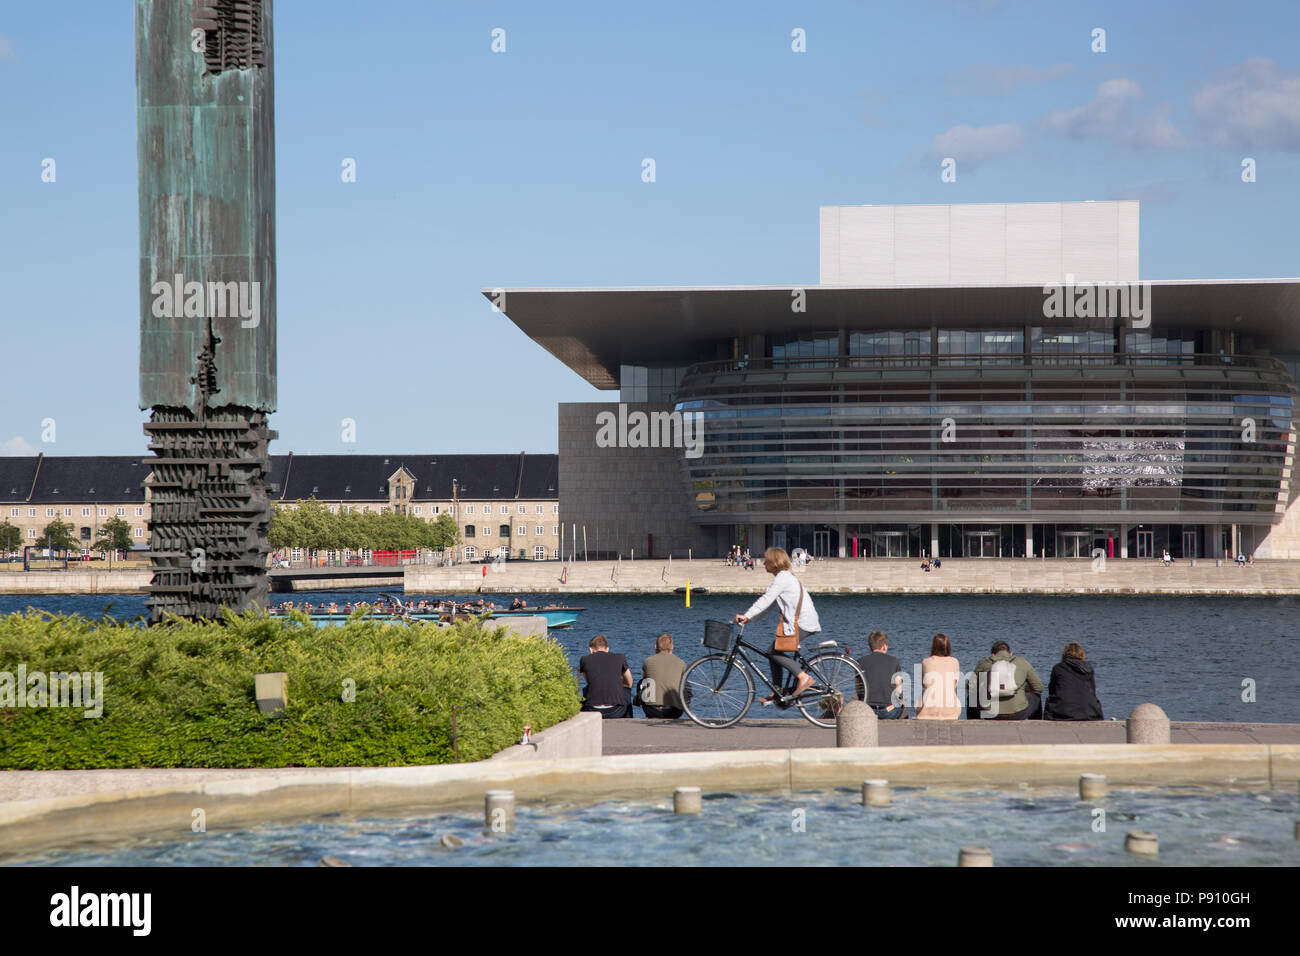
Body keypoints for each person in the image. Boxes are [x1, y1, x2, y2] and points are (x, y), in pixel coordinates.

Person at [733, 546, 822, 704]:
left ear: (774, 563)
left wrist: (746, 615)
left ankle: (804, 677)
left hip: (803, 622)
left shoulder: (782, 578)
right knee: (772, 651)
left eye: (766, 561)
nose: (763, 564)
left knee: (773, 651)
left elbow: (766, 600)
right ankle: (778, 690)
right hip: (804, 620)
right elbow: (769, 606)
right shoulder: (785, 577)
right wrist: (750, 619)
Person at [973, 641, 1043, 720]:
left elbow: (970, 687)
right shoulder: (1022, 662)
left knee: (972, 697)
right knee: (1036, 695)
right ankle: (1035, 725)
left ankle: (973, 723)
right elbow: (1039, 688)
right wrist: (1024, 689)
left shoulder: (984, 663)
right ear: (1010, 653)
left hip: (990, 714)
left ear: (993, 654)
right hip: (1018, 713)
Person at [1043, 642, 1104, 720]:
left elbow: (1052, 690)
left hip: (1063, 710)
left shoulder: (1058, 668)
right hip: (1089, 711)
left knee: (1050, 701)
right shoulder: (1088, 669)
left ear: (1065, 654)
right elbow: (1093, 691)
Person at [578, 634, 634, 718]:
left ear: (590, 649)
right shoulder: (620, 657)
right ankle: (628, 720)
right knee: (626, 690)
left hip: (592, 710)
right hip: (616, 710)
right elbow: (630, 682)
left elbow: (589, 681)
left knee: (587, 688)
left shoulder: (584, 659)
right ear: (607, 649)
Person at [855, 630, 906, 719]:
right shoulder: (894, 661)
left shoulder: (860, 662)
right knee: (903, 702)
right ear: (884, 646)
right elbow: (899, 689)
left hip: (868, 710)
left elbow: (859, 689)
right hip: (888, 711)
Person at [638, 633, 686, 719]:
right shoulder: (681, 663)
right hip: (675, 711)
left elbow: (645, 679)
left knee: (640, 683)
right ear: (672, 647)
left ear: (655, 647)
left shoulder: (648, 661)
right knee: (685, 684)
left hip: (652, 711)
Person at [916, 632, 960, 720]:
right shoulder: (954, 662)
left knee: (922, 696)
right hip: (950, 711)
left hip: (927, 710)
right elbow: (954, 685)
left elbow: (923, 684)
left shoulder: (926, 662)